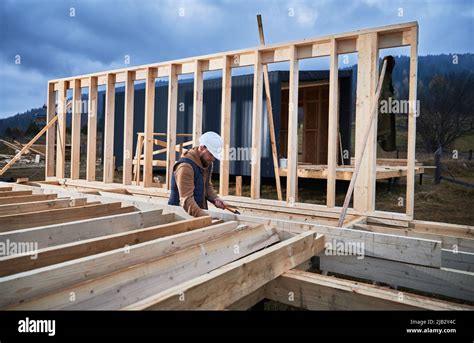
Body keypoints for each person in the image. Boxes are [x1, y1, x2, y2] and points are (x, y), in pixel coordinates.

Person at [168, 131, 228, 217]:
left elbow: (206, 186)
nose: (212, 159)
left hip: (198, 213)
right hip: (180, 216)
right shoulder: (185, 167)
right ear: (202, 147)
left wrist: (215, 199)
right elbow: (187, 200)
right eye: (211, 154)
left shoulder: (207, 162)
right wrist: (206, 218)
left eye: (214, 156)